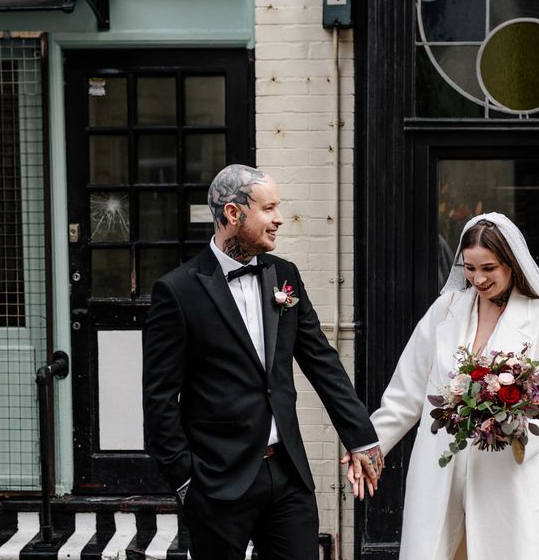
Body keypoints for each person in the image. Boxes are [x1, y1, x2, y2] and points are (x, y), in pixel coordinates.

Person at [143, 164, 383, 560]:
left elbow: (322, 362)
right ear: (233, 214)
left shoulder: (283, 276)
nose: (279, 219)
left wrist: (362, 438)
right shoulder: (177, 291)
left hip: (286, 473)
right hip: (217, 481)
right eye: (268, 208)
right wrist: (186, 482)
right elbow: (159, 399)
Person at [350, 213, 539, 559]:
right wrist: (368, 446)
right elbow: (405, 393)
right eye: (469, 268)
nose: (478, 279)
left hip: (505, 477)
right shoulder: (445, 310)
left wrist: (509, 425)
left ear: (512, 264)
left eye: (489, 268)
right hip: (441, 470)